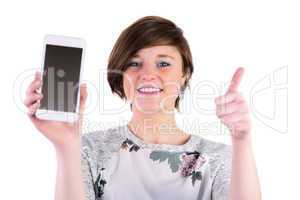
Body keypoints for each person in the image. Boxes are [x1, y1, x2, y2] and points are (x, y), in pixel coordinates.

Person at [24, 16, 261, 200]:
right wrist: (66, 146)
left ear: (184, 74)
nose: (148, 74)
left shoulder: (218, 159)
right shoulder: (87, 150)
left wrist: (242, 140)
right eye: (134, 63)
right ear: (120, 76)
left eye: (163, 63)